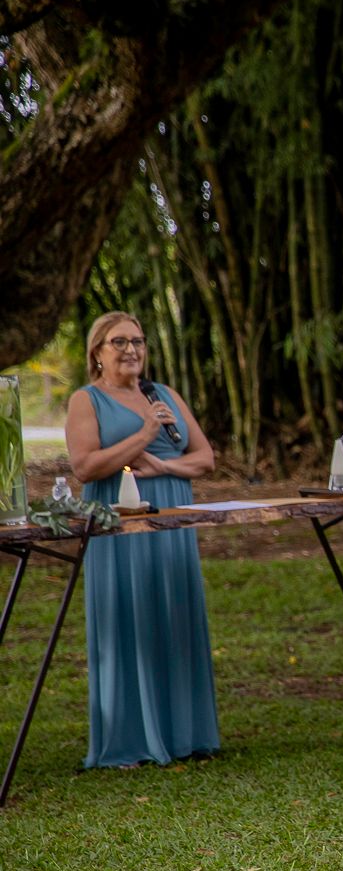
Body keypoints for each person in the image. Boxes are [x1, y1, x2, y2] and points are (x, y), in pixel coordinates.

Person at [63, 311, 220, 768]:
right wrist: (146, 435)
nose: (131, 349)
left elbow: (205, 458)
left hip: (171, 515)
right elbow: (86, 467)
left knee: (174, 612)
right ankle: (130, 739)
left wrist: (167, 466)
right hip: (119, 521)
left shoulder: (163, 394)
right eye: (119, 342)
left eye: (138, 340)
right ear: (97, 352)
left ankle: (186, 735)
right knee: (130, 616)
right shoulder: (86, 400)